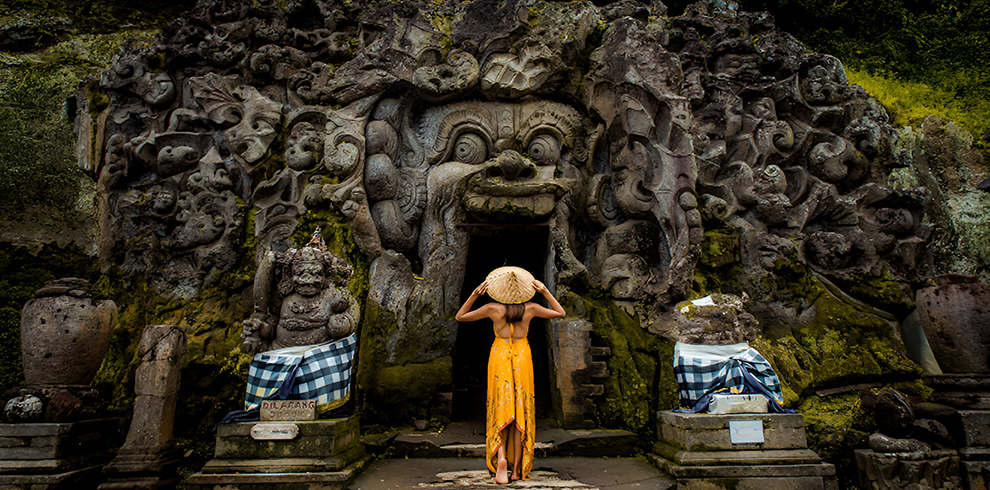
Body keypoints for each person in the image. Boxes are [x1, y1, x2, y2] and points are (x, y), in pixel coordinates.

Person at [455, 266, 566, 484]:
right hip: (522, 357)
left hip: (500, 358)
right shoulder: (532, 308)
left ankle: (502, 458)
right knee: (520, 409)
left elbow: (461, 316)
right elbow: (560, 312)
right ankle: (516, 470)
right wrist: (544, 292)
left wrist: (474, 295)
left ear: (498, 290)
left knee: (502, 406)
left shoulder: (492, 308)